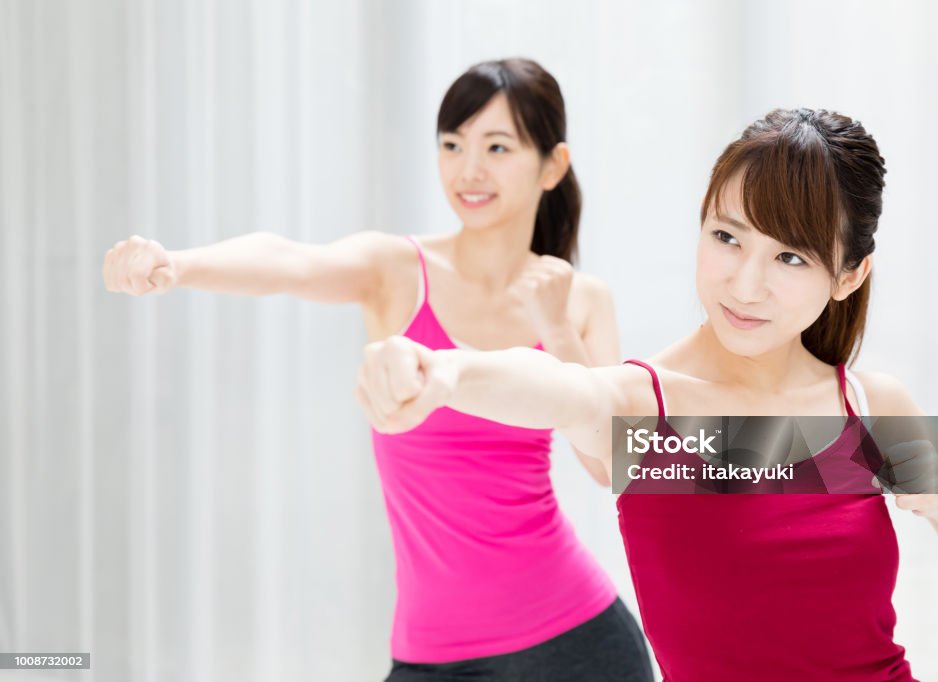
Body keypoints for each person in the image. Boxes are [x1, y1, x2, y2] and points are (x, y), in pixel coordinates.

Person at [356, 108, 938, 681]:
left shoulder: (868, 405)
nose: (746, 284)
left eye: (790, 258)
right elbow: (558, 390)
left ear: (850, 275)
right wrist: (443, 373)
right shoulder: (649, 407)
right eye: (727, 238)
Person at [103, 58, 654, 682]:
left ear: (552, 164)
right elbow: (288, 260)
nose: (468, 170)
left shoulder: (581, 299)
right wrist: (176, 263)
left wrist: (556, 332)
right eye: (452, 145)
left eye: (497, 147)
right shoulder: (396, 270)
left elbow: (619, 466)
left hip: (575, 645)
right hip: (429, 652)